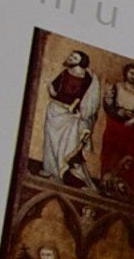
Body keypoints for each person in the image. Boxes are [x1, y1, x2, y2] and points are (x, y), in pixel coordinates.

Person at [90, 60, 134, 203]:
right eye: (131, 73)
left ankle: (125, 189)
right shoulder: (116, 87)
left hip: (131, 132)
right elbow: (107, 104)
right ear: (126, 73)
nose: (133, 76)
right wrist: (119, 113)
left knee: (129, 159)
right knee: (110, 154)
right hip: (115, 128)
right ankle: (107, 186)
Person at [36, 49, 96, 183]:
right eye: (71, 56)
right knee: (51, 140)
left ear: (81, 61)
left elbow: (83, 97)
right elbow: (54, 91)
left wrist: (74, 107)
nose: (70, 58)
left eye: (75, 57)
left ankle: (62, 171)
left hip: (70, 115)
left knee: (67, 143)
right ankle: (49, 169)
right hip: (55, 110)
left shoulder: (87, 78)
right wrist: (51, 89)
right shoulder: (65, 73)